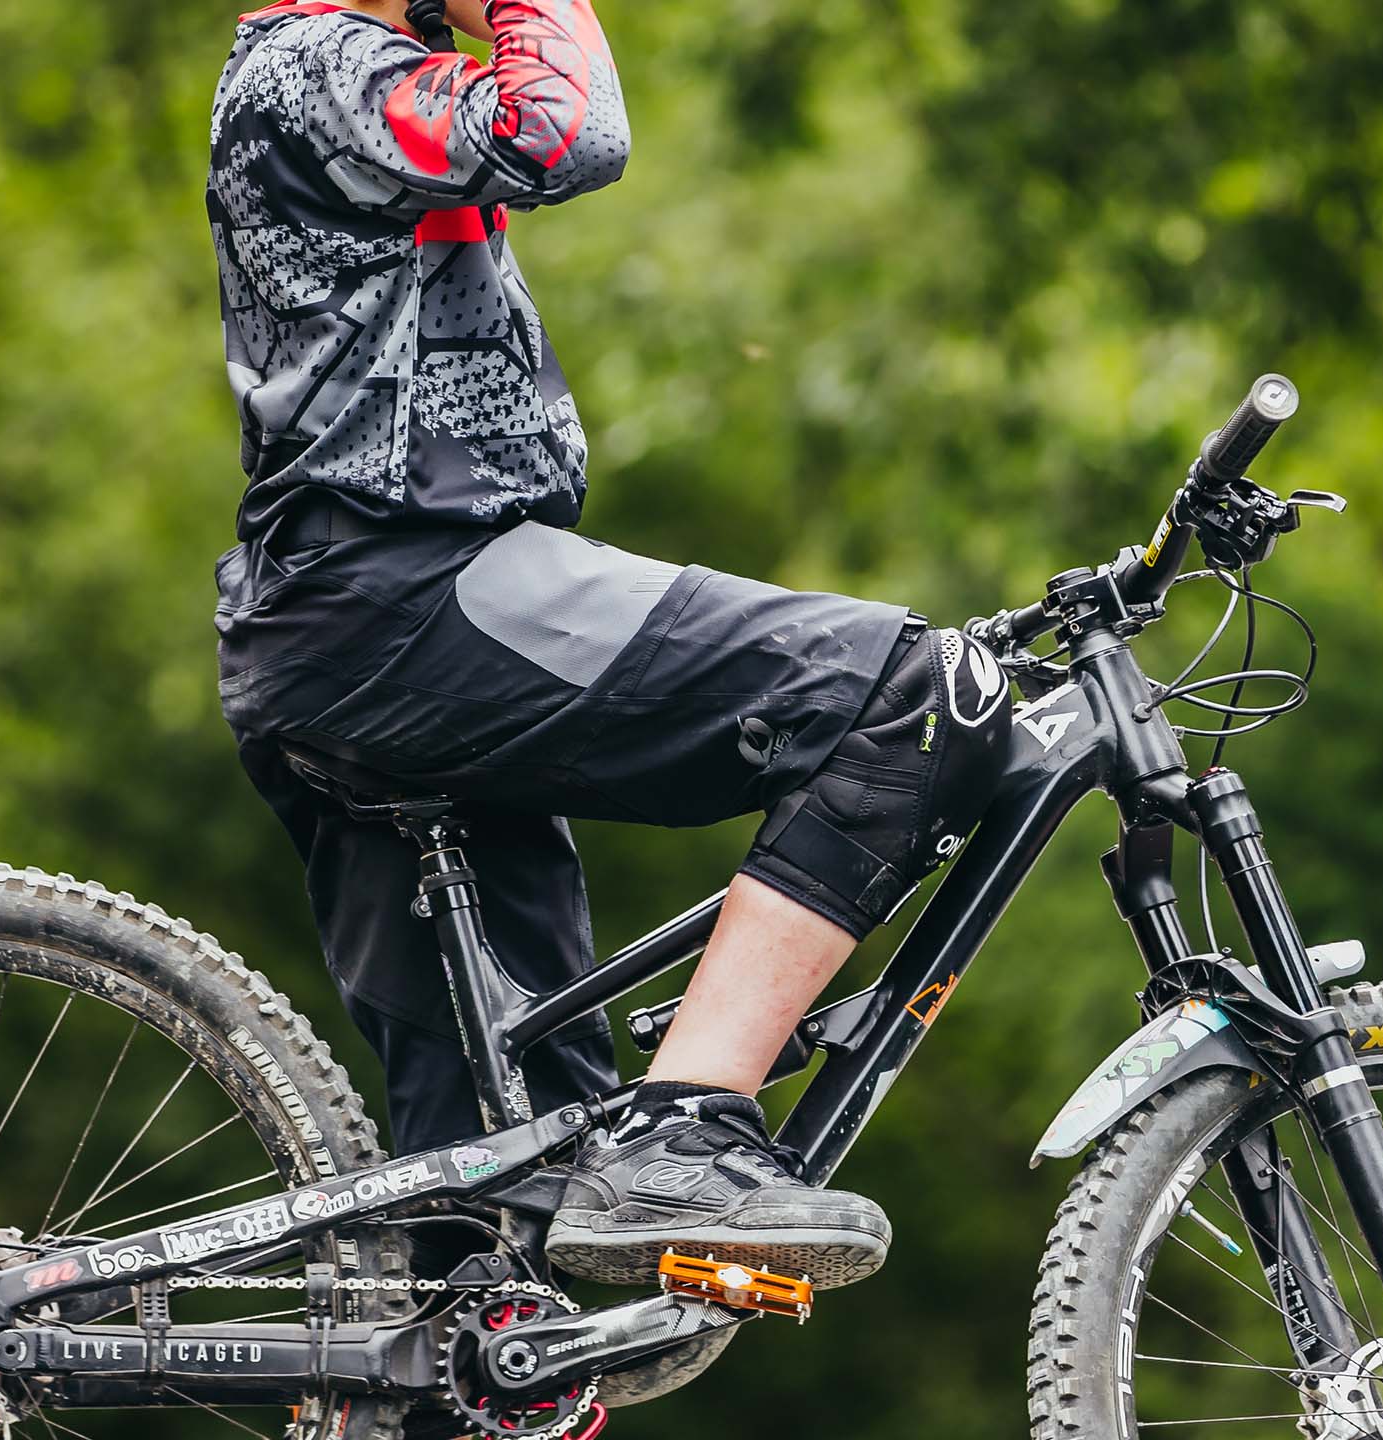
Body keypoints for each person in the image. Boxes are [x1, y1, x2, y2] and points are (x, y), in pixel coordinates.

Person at [207, 0, 1008, 1289]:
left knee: (503, 1249)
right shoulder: (316, 68)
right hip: (415, 590)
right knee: (912, 697)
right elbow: (560, 127)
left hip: (350, 624)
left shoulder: (333, 77)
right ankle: (690, 1126)